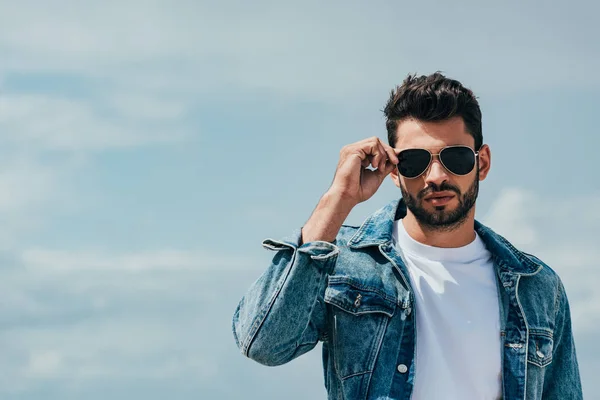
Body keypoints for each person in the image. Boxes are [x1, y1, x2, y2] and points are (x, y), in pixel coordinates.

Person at [231, 72, 582, 399]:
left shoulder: (537, 286)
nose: (435, 176)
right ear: (394, 172)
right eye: (414, 161)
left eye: (455, 157)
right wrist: (336, 201)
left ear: (483, 163)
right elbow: (263, 343)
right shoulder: (346, 266)